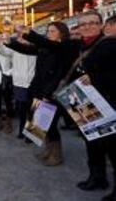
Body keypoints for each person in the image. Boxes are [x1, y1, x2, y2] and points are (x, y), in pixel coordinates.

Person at [6, 21, 76, 166]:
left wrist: (26, 32)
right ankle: (48, 151)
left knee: (50, 124)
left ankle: (56, 156)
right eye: (48, 31)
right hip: (38, 91)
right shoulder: (45, 48)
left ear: (62, 33)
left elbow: (46, 45)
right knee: (41, 123)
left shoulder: (65, 47)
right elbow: (26, 49)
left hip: (52, 93)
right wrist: (9, 42)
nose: (49, 34)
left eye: (52, 31)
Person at [64, 11, 116, 200]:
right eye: (82, 24)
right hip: (85, 101)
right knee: (92, 142)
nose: (87, 26)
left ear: (101, 25)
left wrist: (95, 78)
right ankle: (97, 178)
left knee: (112, 147)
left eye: (92, 23)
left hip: (108, 103)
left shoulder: (110, 44)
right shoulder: (79, 45)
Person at [0, 26, 36, 139]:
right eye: (20, 37)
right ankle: (22, 131)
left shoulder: (35, 49)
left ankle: (31, 135)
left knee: (32, 110)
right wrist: (0, 42)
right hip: (19, 84)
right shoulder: (14, 49)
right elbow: (2, 51)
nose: (22, 39)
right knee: (21, 110)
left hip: (33, 84)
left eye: (24, 36)